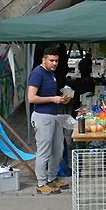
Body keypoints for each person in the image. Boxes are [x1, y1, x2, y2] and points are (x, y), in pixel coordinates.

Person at [28, 46, 70, 195]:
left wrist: (61, 100)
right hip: (42, 117)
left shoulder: (50, 73)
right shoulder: (37, 73)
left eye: (56, 61)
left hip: (54, 116)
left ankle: (52, 178)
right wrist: (53, 99)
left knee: (58, 150)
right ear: (43, 60)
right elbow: (31, 98)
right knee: (44, 151)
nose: (54, 63)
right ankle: (41, 183)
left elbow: (50, 96)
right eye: (51, 60)